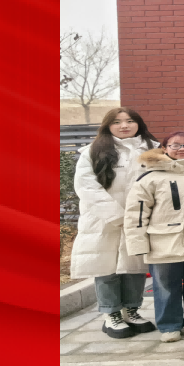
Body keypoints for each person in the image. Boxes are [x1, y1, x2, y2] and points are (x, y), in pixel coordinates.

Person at [123, 132, 184, 342]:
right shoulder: (150, 177)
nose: (182, 149)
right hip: (163, 242)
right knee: (165, 286)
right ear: (164, 148)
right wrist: (137, 244)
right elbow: (136, 214)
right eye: (175, 145)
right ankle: (169, 325)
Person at [70, 107, 159, 338]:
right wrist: (117, 216)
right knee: (106, 268)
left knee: (134, 268)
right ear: (107, 125)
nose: (124, 126)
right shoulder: (93, 151)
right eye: (117, 122)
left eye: (130, 121)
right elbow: (87, 187)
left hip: (140, 219)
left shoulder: (154, 149)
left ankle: (131, 310)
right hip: (103, 220)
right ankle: (111, 314)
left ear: (139, 123)